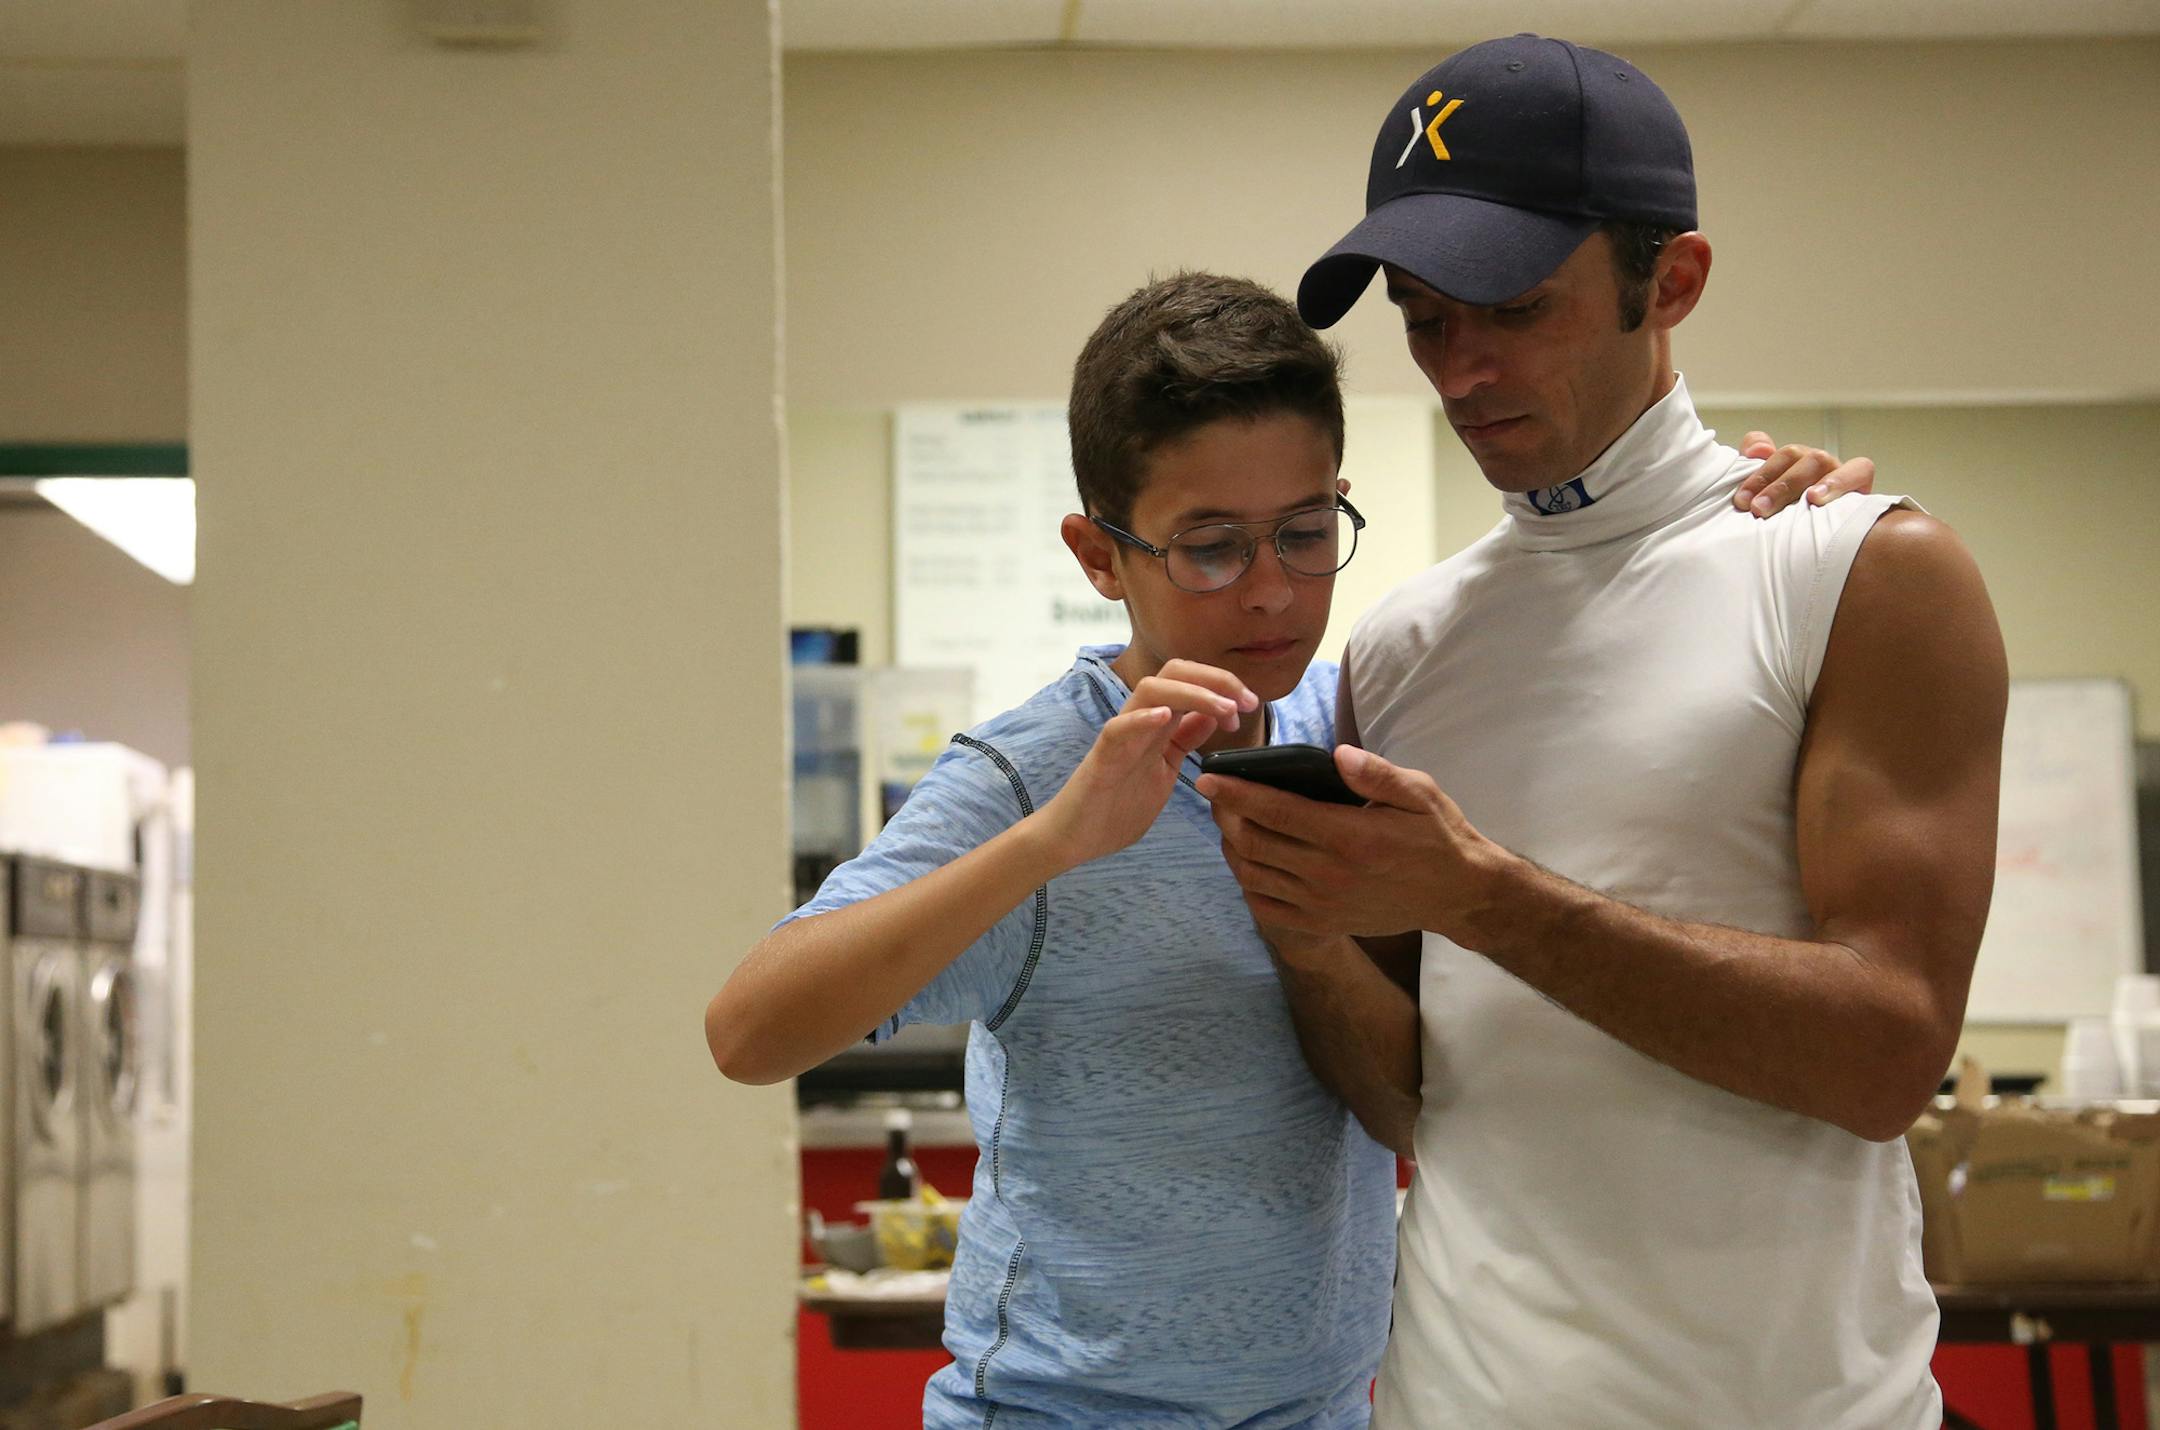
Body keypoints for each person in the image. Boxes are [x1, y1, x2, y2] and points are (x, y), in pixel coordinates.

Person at [706, 273, 1864, 1425]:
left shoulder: (1355, 725)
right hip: (1063, 1407)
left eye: (1305, 534)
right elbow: (752, 1029)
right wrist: (1055, 839)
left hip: (1325, 1407)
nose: (1270, 593)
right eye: (1210, 547)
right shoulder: (1030, 775)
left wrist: (1749, 527)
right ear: (1099, 554)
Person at [1200, 34, 2008, 1430]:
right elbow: (1413, 1100)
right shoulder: (1403, 643)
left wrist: (1483, 897)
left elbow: (1885, 1057)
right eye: (1423, 319)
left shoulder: (1859, 570)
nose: (1461, 369)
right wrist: (1310, 931)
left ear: (1671, 281)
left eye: (1513, 308)